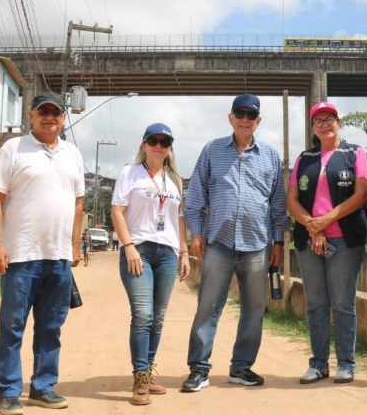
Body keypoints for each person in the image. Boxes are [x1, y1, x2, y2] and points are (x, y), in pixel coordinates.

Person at [0, 91, 85, 415]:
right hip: (20, 256)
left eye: (56, 112)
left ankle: (43, 388)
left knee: (51, 327)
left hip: (58, 258)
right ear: (31, 114)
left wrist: (75, 244)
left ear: (63, 118)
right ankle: (9, 391)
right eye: (44, 111)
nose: (50, 117)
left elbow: (78, 203)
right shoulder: (13, 149)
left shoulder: (72, 154)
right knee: (12, 326)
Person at [181, 93, 287, 392]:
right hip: (219, 243)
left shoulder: (270, 156)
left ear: (258, 121)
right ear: (230, 118)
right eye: (239, 114)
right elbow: (196, 196)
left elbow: (278, 204)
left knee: (254, 308)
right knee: (208, 307)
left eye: (250, 116)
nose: (244, 120)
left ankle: (241, 368)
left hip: (257, 244)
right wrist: (196, 233)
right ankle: (199, 369)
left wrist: (278, 242)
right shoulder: (213, 150)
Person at [286, 102, 367, 385]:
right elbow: (292, 200)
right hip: (309, 241)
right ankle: (318, 363)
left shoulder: (354, 153)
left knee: (343, 303)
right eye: (318, 120)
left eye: (329, 118)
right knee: (316, 304)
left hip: (345, 241)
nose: (324, 124)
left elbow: (361, 194)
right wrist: (313, 227)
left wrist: (327, 220)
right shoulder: (304, 158)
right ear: (312, 128)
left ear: (339, 122)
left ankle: (346, 363)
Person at [110, 122, 190, 405]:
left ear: (170, 148)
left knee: (158, 317)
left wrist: (183, 252)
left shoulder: (175, 179)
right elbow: (117, 212)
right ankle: (140, 378)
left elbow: (179, 218)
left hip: (167, 253)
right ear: (143, 145)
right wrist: (128, 246)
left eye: (165, 142)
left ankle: (149, 370)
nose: (159, 146)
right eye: (153, 141)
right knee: (143, 314)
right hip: (139, 250)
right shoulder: (129, 174)